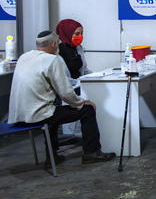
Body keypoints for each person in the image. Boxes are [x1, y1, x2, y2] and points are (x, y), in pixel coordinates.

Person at [8, 30, 115, 165]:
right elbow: (65, 92)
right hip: (37, 116)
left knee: (52, 108)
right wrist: (81, 103)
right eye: (57, 43)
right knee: (87, 110)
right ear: (53, 44)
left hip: (18, 117)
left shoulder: (24, 57)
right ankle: (91, 153)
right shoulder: (52, 59)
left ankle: (51, 157)